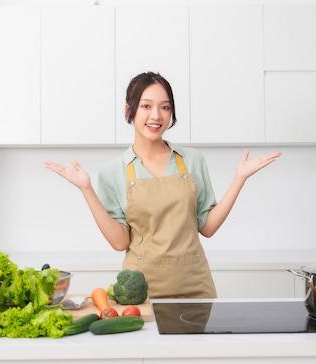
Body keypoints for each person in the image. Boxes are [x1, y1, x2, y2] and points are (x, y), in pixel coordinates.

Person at [45, 72, 281, 298]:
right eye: (146, 106)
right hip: (141, 292)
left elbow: (207, 227)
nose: (156, 115)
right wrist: (86, 189)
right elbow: (120, 242)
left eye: (165, 107)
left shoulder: (192, 160)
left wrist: (239, 179)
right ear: (129, 110)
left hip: (195, 288)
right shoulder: (112, 172)